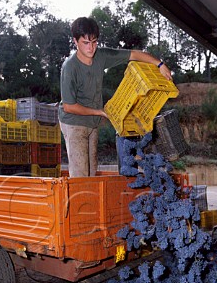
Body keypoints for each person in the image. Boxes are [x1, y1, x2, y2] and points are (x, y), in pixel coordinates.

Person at [59, 16, 173, 177]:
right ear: (75, 41)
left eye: (94, 42)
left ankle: (90, 199)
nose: (91, 48)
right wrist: (100, 112)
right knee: (80, 174)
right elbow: (69, 106)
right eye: (85, 43)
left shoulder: (100, 56)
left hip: (93, 122)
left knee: (91, 173)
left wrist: (160, 64)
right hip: (73, 122)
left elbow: (133, 54)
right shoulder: (70, 67)